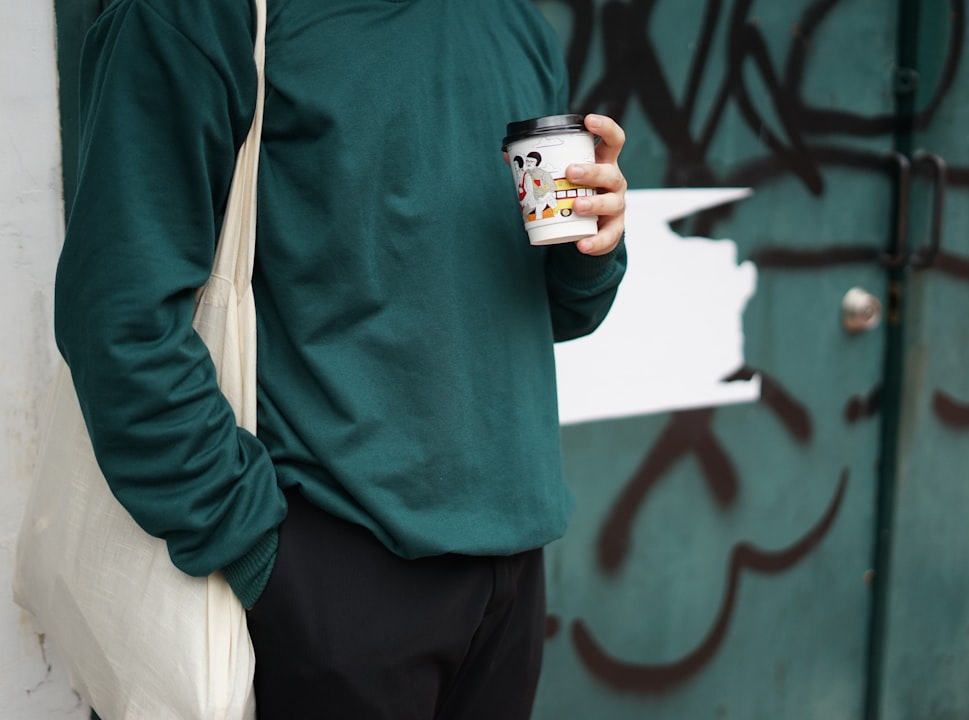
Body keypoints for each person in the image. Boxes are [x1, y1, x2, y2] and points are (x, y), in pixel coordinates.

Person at [54, 0, 627, 718]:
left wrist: (592, 247)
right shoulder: (203, 13)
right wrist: (262, 555)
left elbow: (558, 308)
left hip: (512, 573)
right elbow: (116, 314)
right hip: (334, 571)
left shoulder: (515, 20)